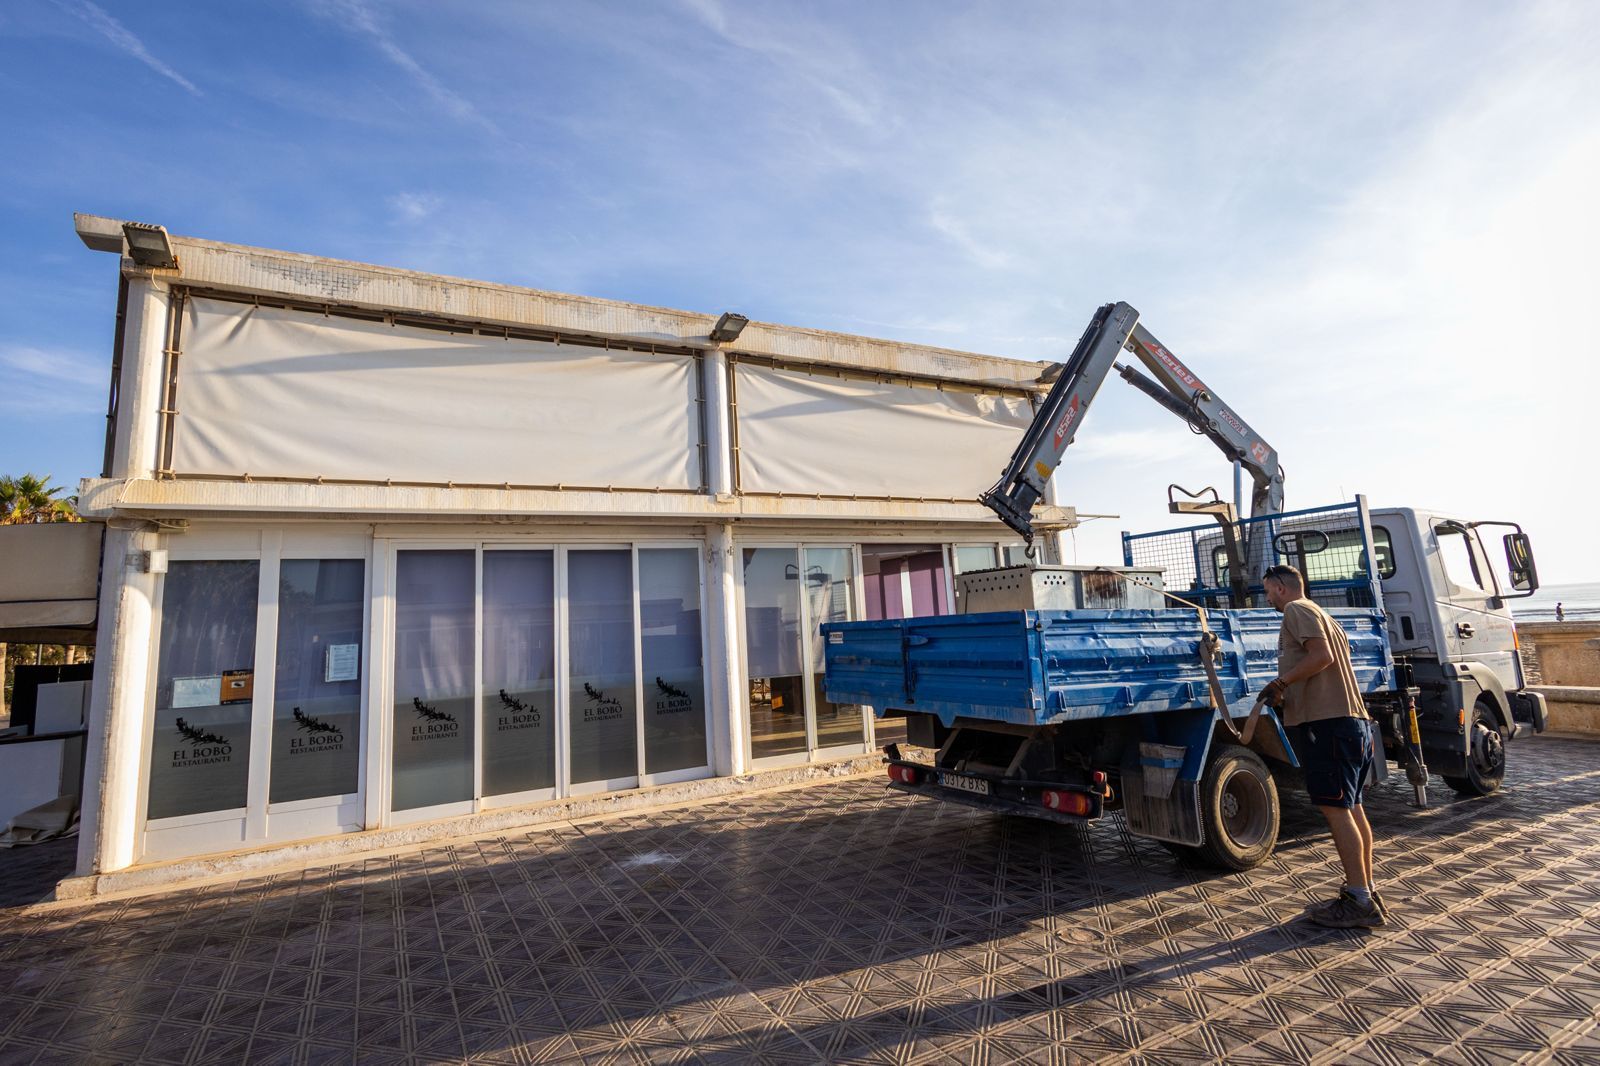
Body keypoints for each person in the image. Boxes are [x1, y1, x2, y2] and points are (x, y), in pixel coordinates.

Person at [1260, 563, 1385, 929]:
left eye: (1267, 591)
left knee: (1337, 810)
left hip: (1328, 724)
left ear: (1281, 588)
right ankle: (1364, 891)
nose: (1267, 599)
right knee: (1352, 808)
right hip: (1350, 724)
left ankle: (1359, 900)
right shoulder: (1322, 614)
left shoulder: (1296, 610)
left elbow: (1321, 657)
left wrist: (1280, 683)